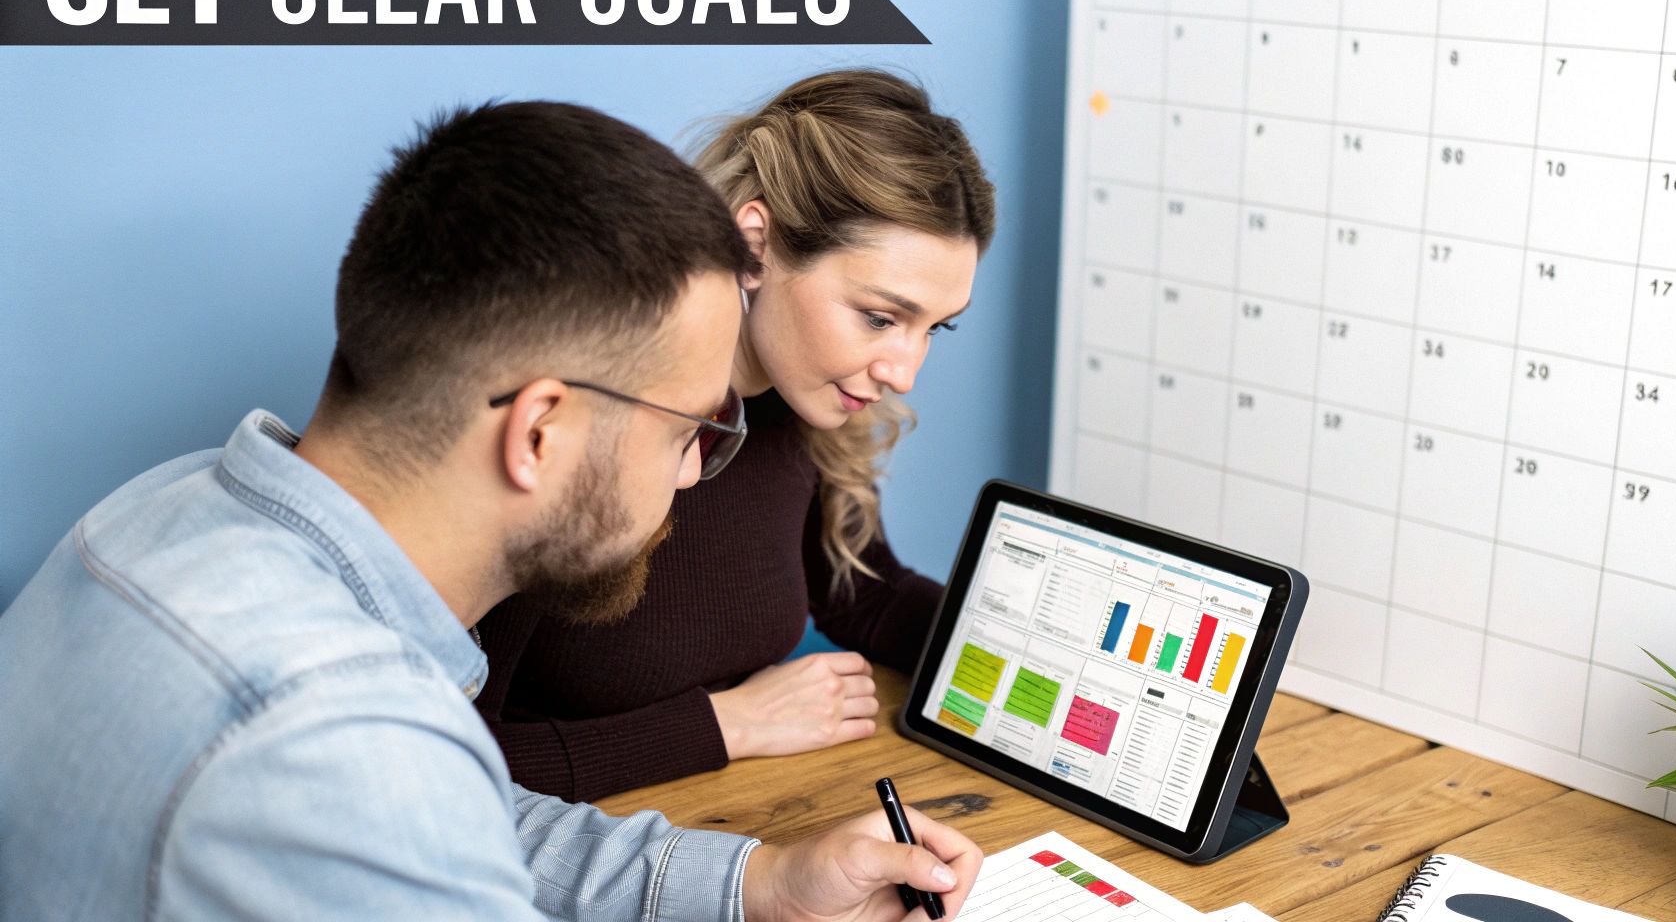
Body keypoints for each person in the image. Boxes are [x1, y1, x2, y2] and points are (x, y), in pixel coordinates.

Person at [0, 100, 981, 920]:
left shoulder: (147, 520)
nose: (694, 473)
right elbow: (395, 793)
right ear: (538, 432)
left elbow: (464, 805)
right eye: (688, 431)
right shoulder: (333, 750)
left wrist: (756, 880)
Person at [476, 69, 996, 801]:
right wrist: (727, 726)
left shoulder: (807, 403)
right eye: (881, 317)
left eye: (933, 328)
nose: (906, 371)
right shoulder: (578, 420)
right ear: (755, 246)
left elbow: (863, 596)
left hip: (732, 821)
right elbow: (451, 761)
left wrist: (1038, 660)